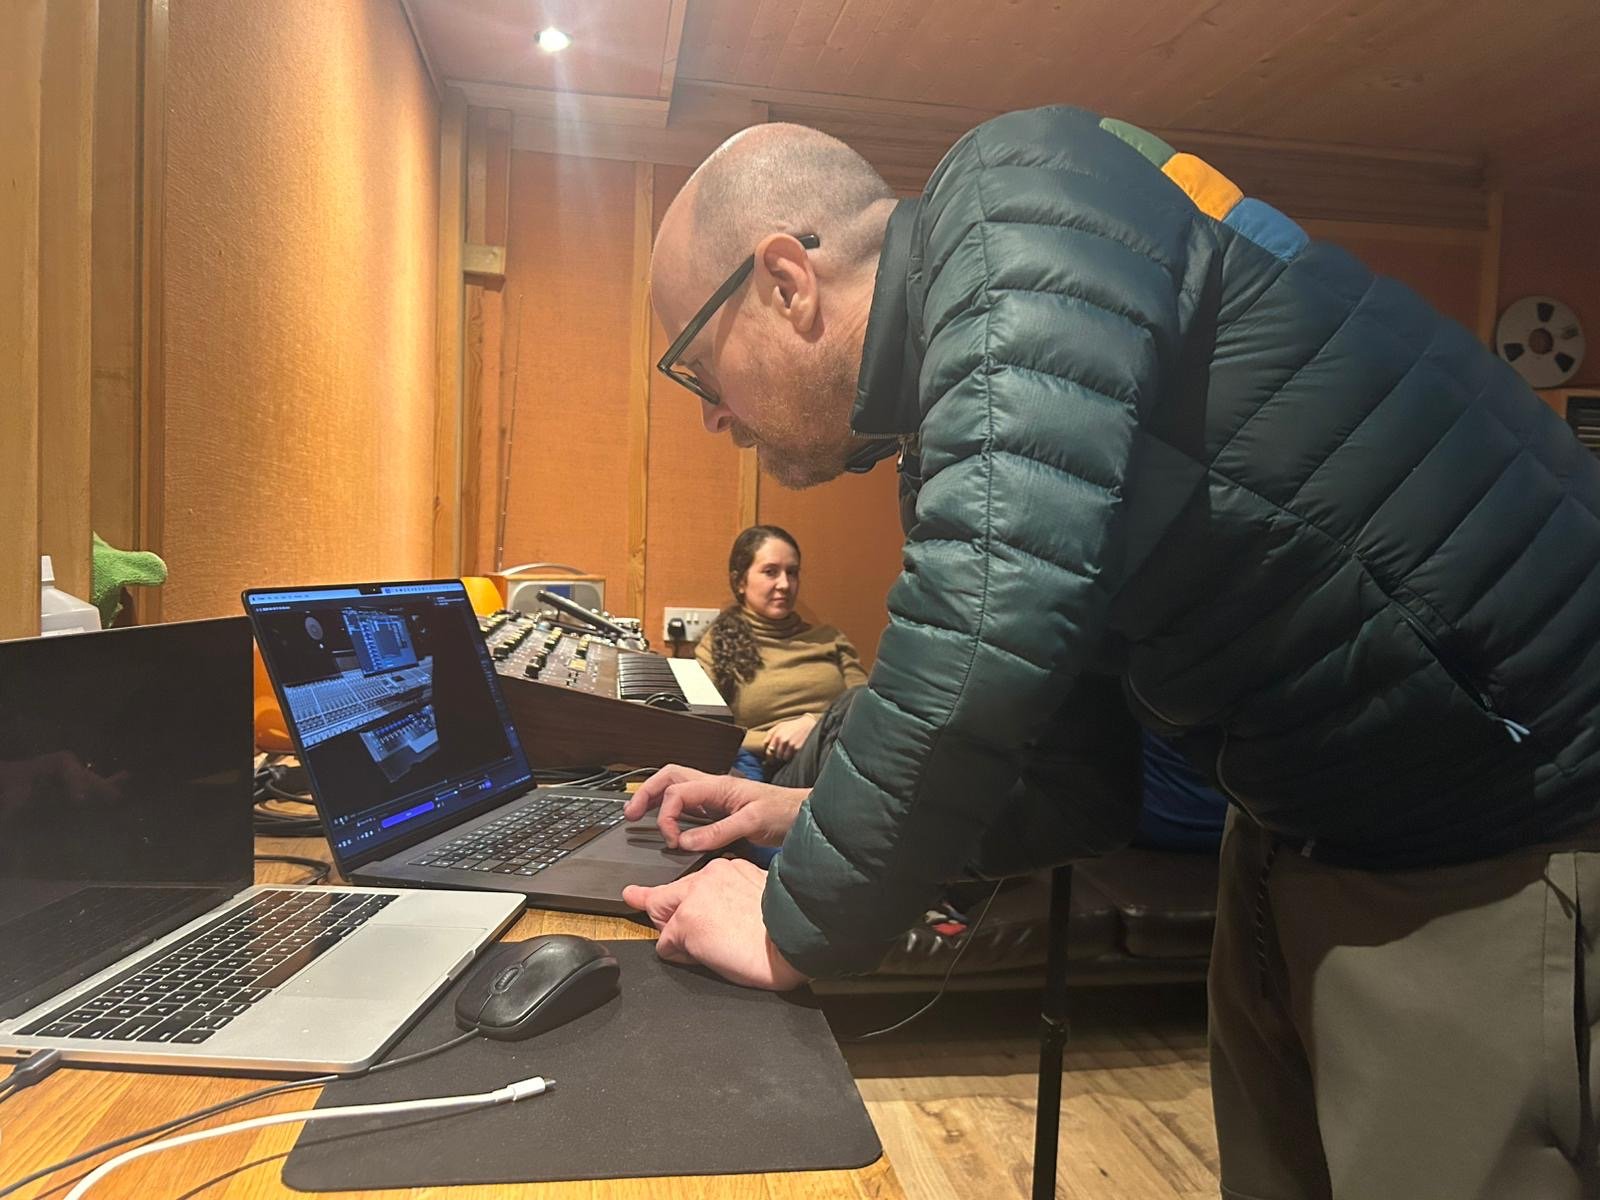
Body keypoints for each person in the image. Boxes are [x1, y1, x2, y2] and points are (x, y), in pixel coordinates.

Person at [625, 106, 1600, 1199]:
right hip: (1305, 829)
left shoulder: (1014, 192)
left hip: (1502, 826)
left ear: (785, 280)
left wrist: (791, 917)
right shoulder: (975, 411)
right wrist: (802, 803)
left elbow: (986, 615)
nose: (710, 416)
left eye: (696, 370)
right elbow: (1069, 778)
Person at [697, 525, 867, 780]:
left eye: (792, 572)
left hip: (843, 749)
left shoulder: (829, 638)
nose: (785, 584)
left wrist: (812, 724)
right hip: (776, 770)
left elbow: (866, 704)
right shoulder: (717, 644)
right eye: (770, 572)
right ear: (740, 581)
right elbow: (706, 731)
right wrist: (773, 741)